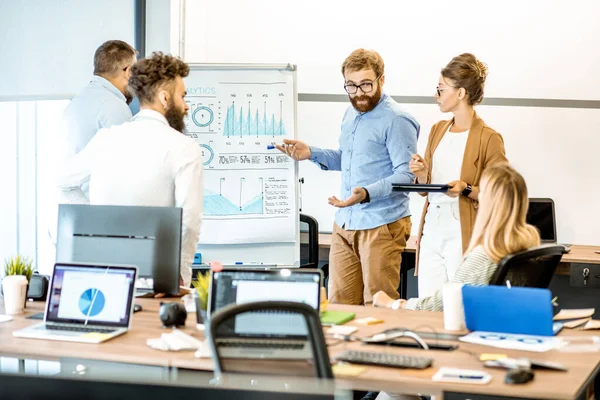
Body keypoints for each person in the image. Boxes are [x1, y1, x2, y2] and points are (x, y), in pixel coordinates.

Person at [276, 49, 419, 305]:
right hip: (344, 224)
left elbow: (407, 175)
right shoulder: (350, 113)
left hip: (381, 224)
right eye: (351, 86)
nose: (359, 93)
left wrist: (365, 193)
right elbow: (349, 159)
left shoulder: (397, 120)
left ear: (381, 79)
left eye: (366, 84)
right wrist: (311, 153)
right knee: (339, 304)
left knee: (377, 305)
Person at [56, 52, 203, 288]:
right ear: (165, 98)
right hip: (156, 284)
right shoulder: (184, 148)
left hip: (104, 278)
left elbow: (63, 180)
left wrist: (94, 221)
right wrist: (180, 275)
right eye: (182, 96)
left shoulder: (106, 138)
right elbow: (190, 220)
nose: (186, 106)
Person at [373, 163, 540, 311]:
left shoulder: (485, 255)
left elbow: (442, 305)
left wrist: (392, 304)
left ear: (488, 202)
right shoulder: (529, 245)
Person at [410, 53, 508, 298]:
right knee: (428, 303)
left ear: (461, 93)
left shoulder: (489, 138)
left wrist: (465, 189)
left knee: (460, 305)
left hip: (463, 227)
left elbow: (501, 195)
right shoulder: (437, 130)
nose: (436, 95)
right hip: (432, 226)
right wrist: (422, 174)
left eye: (441, 89)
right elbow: (425, 188)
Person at [59, 40, 137, 203]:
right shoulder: (114, 107)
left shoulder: (76, 103)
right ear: (128, 71)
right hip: (102, 210)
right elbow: (126, 167)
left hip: (77, 208)